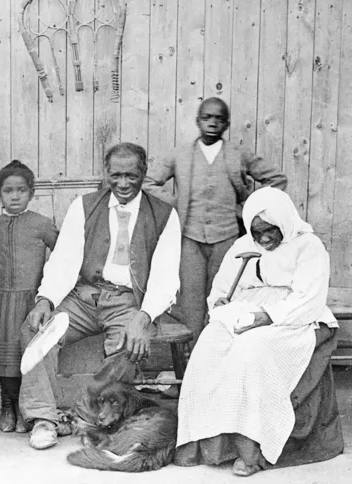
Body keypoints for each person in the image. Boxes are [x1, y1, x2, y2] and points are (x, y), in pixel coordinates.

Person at [19, 142, 181, 450]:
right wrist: (46, 299)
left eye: (131, 175)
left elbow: (166, 274)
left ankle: (82, 414)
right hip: (84, 296)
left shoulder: (163, 215)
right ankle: (44, 419)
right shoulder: (85, 206)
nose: (122, 183)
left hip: (129, 301)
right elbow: (64, 260)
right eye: (115, 175)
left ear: (144, 173)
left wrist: (144, 317)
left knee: (128, 346)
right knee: (34, 330)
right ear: (105, 173)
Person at [175, 187, 344, 477]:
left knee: (250, 350)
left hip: (296, 319)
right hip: (245, 312)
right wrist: (220, 303)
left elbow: (309, 299)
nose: (264, 239)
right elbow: (221, 287)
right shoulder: (241, 246)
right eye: (257, 232)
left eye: (270, 230)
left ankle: (252, 452)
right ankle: (205, 444)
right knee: (208, 345)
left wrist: (265, 316)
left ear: (284, 221)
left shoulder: (308, 246)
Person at [143, 97, 287, 342]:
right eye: (207, 117)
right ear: (198, 121)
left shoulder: (238, 155)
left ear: (227, 124)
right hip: (190, 238)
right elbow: (147, 183)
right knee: (191, 299)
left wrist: (248, 209)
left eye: (219, 118)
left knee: (224, 295)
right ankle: (192, 355)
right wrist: (175, 204)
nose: (212, 123)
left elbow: (276, 179)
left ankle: (220, 349)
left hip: (227, 237)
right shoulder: (180, 155)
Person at [0, 160, 58, 433]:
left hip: (30, 301)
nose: (14, 196)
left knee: (28, 356)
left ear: (31, 193)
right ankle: (7, 405)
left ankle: (27, 409)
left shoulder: (42, 224)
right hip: (0, 300)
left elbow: (63, 255)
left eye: (21, 190)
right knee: (5, 359)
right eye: (8, 190)